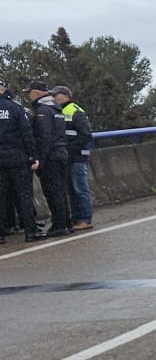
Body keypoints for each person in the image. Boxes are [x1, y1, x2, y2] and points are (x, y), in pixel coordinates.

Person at [26, 82, 72, 237]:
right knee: (61, 191)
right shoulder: (56, 107)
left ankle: (59, 226)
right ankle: (66, 223)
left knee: (53, 192)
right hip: (61, 153)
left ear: (37, 93)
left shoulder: (43, 110)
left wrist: (40, 161)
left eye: (30, 93)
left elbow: (44, 137)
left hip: (51, 157)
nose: (28, 96)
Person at [0, 76, 42, 243]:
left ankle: (1, 234)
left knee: (1, 197)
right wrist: (33, 156)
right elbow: (27, 134)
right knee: (24, 195)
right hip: (18, 159)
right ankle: (30, 231)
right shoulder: (15, 108)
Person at [53, 85, 94, 229]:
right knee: (71, 189)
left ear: (66, 96)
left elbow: (86, 135)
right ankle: (76, 218)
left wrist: (68, 149)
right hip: (68, 157)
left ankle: (85, 219)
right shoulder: (60, 111)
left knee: (80, 188)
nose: (55, 98)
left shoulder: (76, 111)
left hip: (77, 157)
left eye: (57, 95)